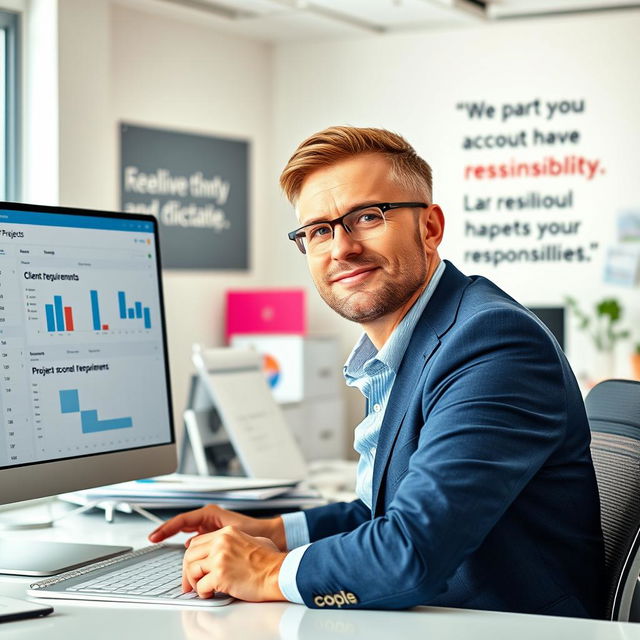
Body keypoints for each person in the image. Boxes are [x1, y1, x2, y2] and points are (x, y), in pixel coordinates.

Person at [149, 126, 605, 617]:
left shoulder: (492, 342)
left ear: (429, 228)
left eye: (367, 217)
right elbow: (387, 512)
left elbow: (412, 550)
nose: (341, 248)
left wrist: (263, 570)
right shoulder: (404, 343)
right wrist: (271, 531)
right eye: (319, 231)